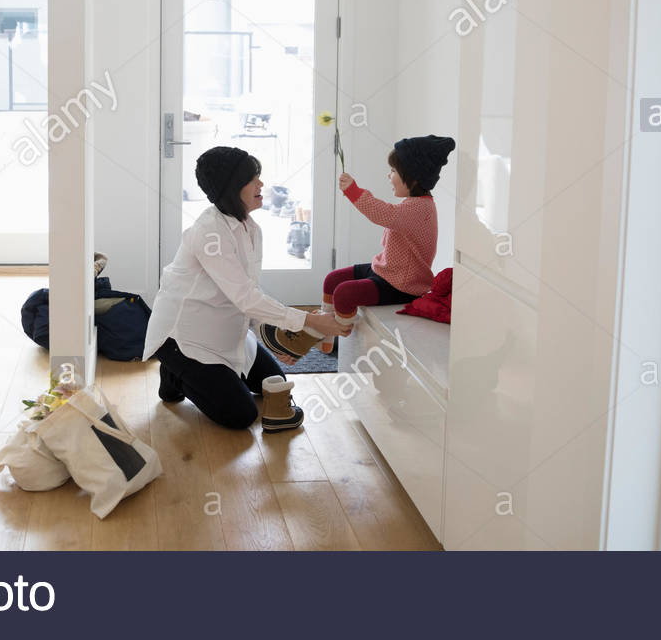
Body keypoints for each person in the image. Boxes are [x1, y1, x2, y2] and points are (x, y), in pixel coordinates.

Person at [142, 146, 352, 431]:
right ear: (231, 187)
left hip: (229, 334)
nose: (261, 184)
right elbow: (245, 298)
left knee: (274, 382)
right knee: (240, 415)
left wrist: (277, 338)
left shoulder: (250, 228)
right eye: (253, 179)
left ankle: (198, 376)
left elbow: (249, 293)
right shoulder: (209, 232)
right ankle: (174, 373)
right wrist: (312, 321)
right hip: (186, 339)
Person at [259, 134, 455, 363]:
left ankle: (317, 335)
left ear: (412, 177)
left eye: (393, 171)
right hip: (386, 271)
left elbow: (381, 213)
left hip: (403, 284)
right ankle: (326, 336)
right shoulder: (414, 204)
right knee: (333, 279)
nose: (389, 176)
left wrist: (353, 191)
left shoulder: (419, 209)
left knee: (345, 294)